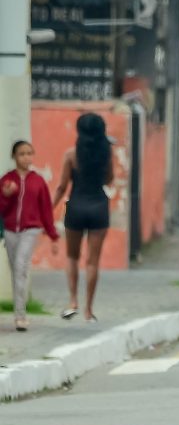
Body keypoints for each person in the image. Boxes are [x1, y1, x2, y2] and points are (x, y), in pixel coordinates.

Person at [51, 112, 113, 322]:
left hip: (76, 206)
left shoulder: (71, 155)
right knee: (93, 262)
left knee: (72, 257)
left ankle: (72, 301)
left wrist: (48, 209)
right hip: (98, 207)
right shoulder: (106, 154)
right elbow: (109, 179)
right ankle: (89, 310)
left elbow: (61, 187)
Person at [1, 141, 59, 331]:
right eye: (22, 154)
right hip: (10, 231)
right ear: (14, 157)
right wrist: (6, 195)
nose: (26, 157)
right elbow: (1, 209)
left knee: (20, 267)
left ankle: (20, 316)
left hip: (30, 230)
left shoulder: (38, 181)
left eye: (29, 153)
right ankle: (19, 312)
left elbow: (46, 211)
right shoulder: (7, 180)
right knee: (17, 271)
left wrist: (53, 236)